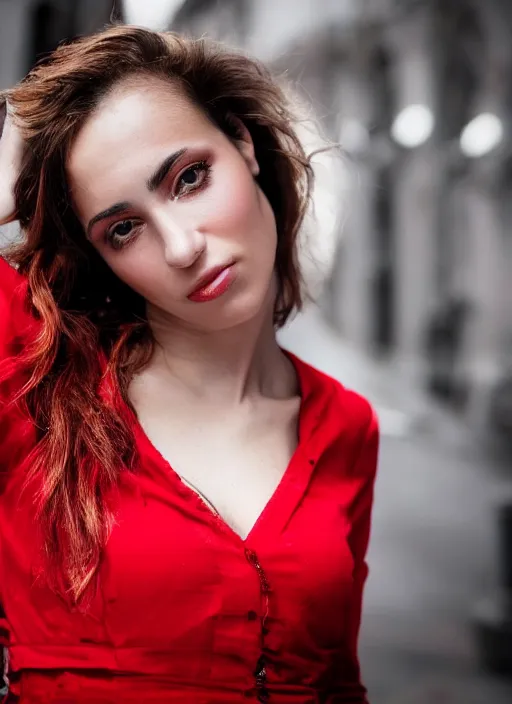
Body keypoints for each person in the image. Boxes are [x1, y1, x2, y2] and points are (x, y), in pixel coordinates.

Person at [0, 24, 379, 703]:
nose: (180, 247)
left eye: (190, 177)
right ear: (102, 257)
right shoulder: (35, 381)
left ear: (242, 141)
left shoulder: (347, 428)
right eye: (123, 228)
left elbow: (335, 680)